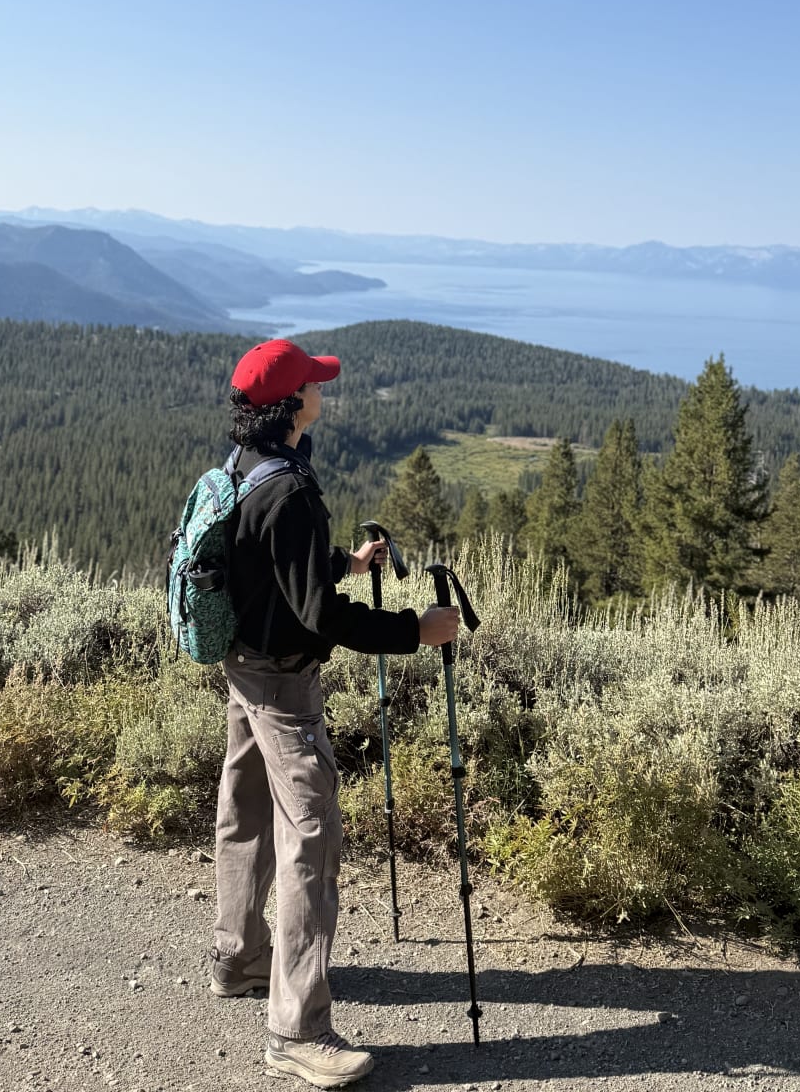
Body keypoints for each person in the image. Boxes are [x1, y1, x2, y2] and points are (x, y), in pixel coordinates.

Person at [209, 338, 461, 1088]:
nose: (323, 391)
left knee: (243, 808)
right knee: (312, 836)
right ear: (290, 405)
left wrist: (343, 563)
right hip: (283, 683)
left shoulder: (246, 469)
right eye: (313, 385)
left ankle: (240, 957)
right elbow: (321, 620)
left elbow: (274, 570)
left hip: (243, 666)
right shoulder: (290, 490)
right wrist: (414, 631)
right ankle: (297, 1031)